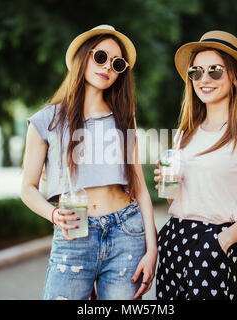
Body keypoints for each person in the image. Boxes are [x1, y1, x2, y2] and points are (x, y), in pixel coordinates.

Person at [21, 25, 157, 300]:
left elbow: (140, 188)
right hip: (74, 234)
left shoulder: (124, 118)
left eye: (117, 64)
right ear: (84, 57)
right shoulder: (46, 120)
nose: (107, 67)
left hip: (126, 234)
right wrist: (53, 214)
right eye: (100, 57)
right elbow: (27, 187)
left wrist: (152, 249)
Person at [153, 31, 237, 300]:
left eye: (215, 71)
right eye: (196, 72)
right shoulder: (184, 132)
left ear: (234, 77)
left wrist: (222, 242)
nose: (204, 79)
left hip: (215, 241)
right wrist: (167, 180)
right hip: (174, 238)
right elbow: (178, 194)